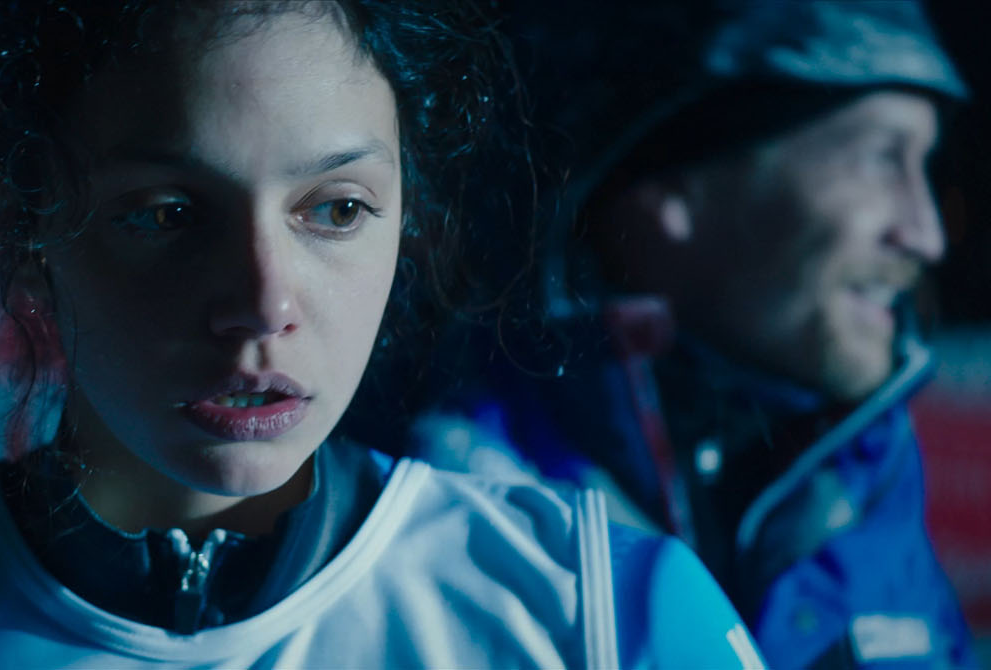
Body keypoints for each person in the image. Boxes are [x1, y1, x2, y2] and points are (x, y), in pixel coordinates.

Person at [0, 2, 764, 668]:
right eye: (168, 215)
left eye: (334, 210)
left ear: (407, 213)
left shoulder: (604, 621)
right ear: (28, 220)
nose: (263, 301)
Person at [408, 2, 977, 668]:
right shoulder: (455, 497)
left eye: (923, 164)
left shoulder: (868, 465)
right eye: (880, 159)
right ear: (677, 186)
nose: (927, 236)